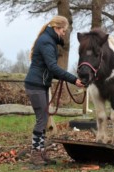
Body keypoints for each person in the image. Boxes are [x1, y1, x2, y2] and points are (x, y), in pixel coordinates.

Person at [24, 15, 84, 165]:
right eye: (63, 31)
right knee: (42, 119)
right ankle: (35, 154)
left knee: (43, 119)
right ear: (57, 28)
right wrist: (73, 79)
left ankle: (40, 152)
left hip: (40, 84)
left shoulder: (48, 41)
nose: (64, 34)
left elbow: (50, 68)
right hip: (35, 85)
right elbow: (53, 67)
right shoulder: (46, 42)